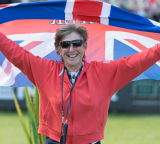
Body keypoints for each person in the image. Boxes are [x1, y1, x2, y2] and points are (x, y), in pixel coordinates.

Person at [0, 23, 160, 144]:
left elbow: (139, 61)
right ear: (58, 49)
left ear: (84, 46)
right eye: (65, 44)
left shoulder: (103, 73)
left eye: (76, 43)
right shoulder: (44, 70)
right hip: (54, 141)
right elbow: (15, 52)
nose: (71, 49)